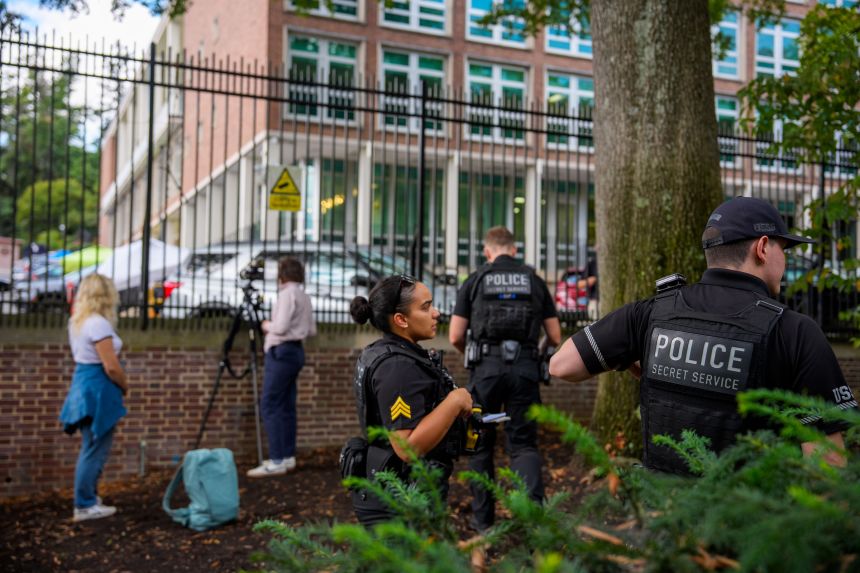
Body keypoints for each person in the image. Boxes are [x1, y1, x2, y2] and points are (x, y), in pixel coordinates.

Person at [550, 197, 856, 472]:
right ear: (762, 248)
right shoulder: (795, 332)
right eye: (783, 248)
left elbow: (562, 365)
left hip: (662, 521)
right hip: (749, 528)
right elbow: (828, 465)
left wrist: (645, 364)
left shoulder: (652, 312)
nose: (785, 260)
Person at [449, 226, 562, 533]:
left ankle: (483, 521)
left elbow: (455, 335)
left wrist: (474, 353)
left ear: (487, 252)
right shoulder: (534, 281)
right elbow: (554, 336)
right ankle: (531, 522)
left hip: (485, 370)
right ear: (514, 250)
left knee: (480, 444)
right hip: (525, 369)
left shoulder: (475, 280)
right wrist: (534, 353)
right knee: (523, 445)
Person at [349, 274, 473, 526]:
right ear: (401, 320)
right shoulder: (397, 367)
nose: (436, 313)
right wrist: (454, 402)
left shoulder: (391, 353)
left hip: (408, 492)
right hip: (403, 501)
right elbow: (407, 448)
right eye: (425, 307)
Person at [59, 273, 129, 522]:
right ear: (106, 295)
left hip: (84, 383)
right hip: (98, 386)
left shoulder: (79, 321)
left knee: (91, 444)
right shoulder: (98, 323)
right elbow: (110, 366)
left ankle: (88, 499)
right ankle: (85, 504)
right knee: (95, 448)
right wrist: (124, 384)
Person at [247, 257, 316, 478]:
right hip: (296, 351)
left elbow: (281, 326)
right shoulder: (304, 296)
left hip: (282, 352)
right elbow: (311, 329)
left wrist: (266, 325)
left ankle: (276, 460)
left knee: (270, 403)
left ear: (283, 274)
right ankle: (287, 457)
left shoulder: (287, 294)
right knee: (286, 405)